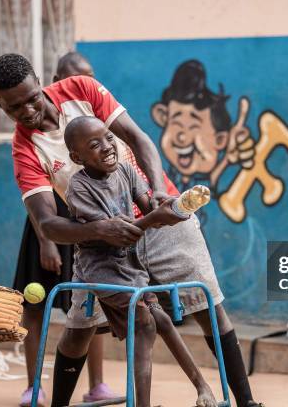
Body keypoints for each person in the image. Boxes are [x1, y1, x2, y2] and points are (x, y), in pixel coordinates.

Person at [0, 53, 262, 407]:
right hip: (100, 245)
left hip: (157, 216)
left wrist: (158, 194)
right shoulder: (25, 148)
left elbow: (138, 138)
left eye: (31, 98)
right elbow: (48, 222)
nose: (25, 111)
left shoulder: (81, 89)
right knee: (79, 329)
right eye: (13, 108)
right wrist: (100, 230)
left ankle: (246, 401)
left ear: (40, 82)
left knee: (207, 307)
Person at [64, 115, 216, 407]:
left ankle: (202, 386)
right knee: (145, 324)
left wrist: (174, 207)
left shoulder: (125, 170)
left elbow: (150, 209)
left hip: (130, 265)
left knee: (162, 321)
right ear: (77, 156)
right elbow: (117, 234)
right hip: (100, 269)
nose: (107, 146)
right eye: (94, 145)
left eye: (109, 138)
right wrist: (153, 218)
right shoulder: (79, 188)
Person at [12, 51, 120, 407]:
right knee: (35, 302)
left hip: (87, 224)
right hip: (51, 225)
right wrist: (46, 242)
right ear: (57, 79)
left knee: (90, 301)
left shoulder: (88, 111)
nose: (91, 82)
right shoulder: (32, 136)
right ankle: (34, 386)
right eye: (80, 76)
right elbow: (39, 206)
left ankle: (98, 384)